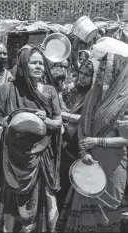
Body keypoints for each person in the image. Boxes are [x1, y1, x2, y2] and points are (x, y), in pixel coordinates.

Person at [56, 53, 128, 232]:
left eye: (106, 70)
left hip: (112, 165)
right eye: (101, 69)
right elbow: (83, 127)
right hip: (88, 161)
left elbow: (126, 138)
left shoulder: (124, 100)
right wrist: (84, 152)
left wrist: (97, 141)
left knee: (106, 215)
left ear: (117, 71)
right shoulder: (93, 95)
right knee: (83, 212)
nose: (102, 73)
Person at [0, 46, 62, 232]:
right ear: (23, 65)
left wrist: (45, 120)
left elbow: (58, 122)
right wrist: (6, 121)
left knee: (40, 194)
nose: (39, 66)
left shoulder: (49, 91)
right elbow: (0, 117)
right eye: (34, 62)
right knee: (13, 193)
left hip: (40, 153)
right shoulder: (7, 89)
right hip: (15, 154)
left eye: (42, 63)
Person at [56, 59, 95, 209]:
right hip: (62, 139)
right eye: (81, 73)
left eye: (87, 74)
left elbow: (86, 119)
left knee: (75, 181)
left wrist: (63, 115)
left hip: (79, 142)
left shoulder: (93, 96)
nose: (82, 77)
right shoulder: (69, 90)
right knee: (61, 181)